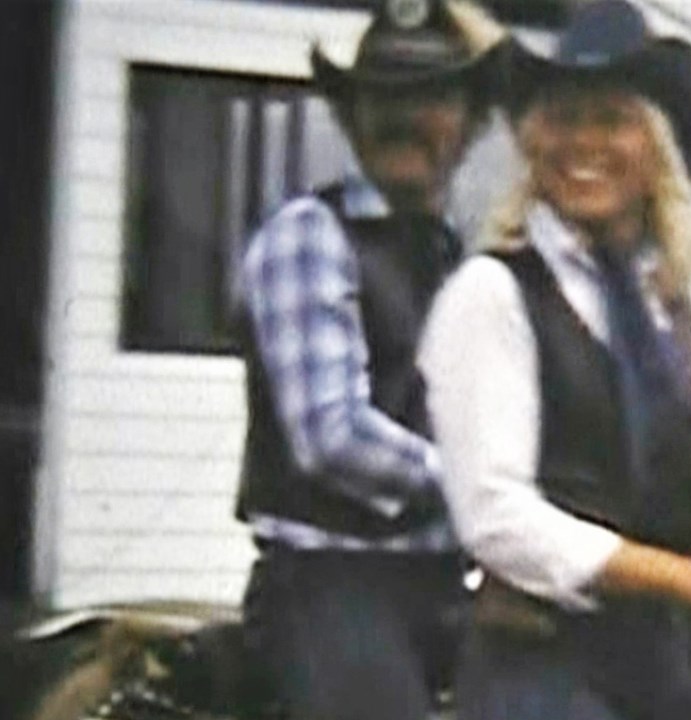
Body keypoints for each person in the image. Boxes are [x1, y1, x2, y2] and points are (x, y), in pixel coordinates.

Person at [422, 2, 691, 718]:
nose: (584, 143)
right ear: (533, 140)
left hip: (659, 672)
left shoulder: (687, 302)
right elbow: (495, 515)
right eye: (563, 119)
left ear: (657, 147)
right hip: (537, 673)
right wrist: (687, 579)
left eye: (611, 120)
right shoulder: (491, 293)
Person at [232, 2, 504, 720]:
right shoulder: (310, 236)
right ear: (351, 117)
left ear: (472, 124)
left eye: (431, 97)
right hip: (331, 585)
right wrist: (488, 488)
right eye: (382, 97)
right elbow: (332, 436)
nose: (403, 116)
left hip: (443, 580)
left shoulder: (454, 257)